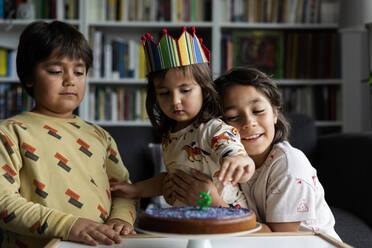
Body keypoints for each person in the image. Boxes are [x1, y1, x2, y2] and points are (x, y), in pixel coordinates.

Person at [0, 21, 137, 247]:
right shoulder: (10, 132)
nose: (70, 80)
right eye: (55, 71)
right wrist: (69, 225)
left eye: (79, 71)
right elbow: (4, 202)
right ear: (29, 77)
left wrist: (119, 219)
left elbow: (125, 191)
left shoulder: (100, 136)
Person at [165, 67, 341, 240]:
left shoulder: (289, 166)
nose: (249, 123)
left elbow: (280, 240)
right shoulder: (221, 160)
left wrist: (215, 205)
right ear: (217, 126)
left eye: (258, 111)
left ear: (274, 113)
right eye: (233, 117)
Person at [110, 27, 255, 208]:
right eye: (164, 93)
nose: (175, 101)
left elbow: (232, 148)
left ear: (204, 89)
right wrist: (136, 190)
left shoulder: (212, 128)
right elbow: (169, 179)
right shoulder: (169, 136)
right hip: (189, 218)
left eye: (185, 90)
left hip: (227, 218)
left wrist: (239, 159)